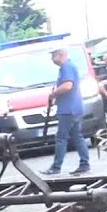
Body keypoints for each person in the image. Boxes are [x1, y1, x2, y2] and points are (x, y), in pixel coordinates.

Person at [43, 47, 90, 176]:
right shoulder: (69, 66)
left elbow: (67, 85)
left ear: (60, 55)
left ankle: (56, 166)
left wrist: (54, 94)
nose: (52, 59)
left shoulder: (66, 67)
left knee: (61, 138)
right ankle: (84, 163)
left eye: (53, 55)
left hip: (68, 109)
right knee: (77, 136)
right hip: (74, 107)